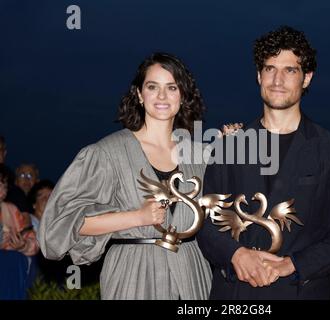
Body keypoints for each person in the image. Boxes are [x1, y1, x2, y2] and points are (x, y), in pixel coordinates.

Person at [196, 26, 330, 299]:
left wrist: (294, 264)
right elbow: (205, 221)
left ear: (307, 78)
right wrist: (235, 254)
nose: (277, 79)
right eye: (270, 68)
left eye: (290, 70)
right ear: (258, 75)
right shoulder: (229, 145)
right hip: (236, 295)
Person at [38, 53, 212, 299]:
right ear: (140, 95)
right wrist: (136, 217)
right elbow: (59, 225)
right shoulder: (106, 154)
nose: (162, 96)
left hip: (193, 274)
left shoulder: (200, 155)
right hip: (133, 274)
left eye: (171, 87)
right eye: (153, 87)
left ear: (183, 96)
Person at [0, 165, 39, 299]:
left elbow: (32, 240)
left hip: (10, 273)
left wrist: (23, 245)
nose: (2, 188)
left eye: (4, 184)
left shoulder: (12, 211)